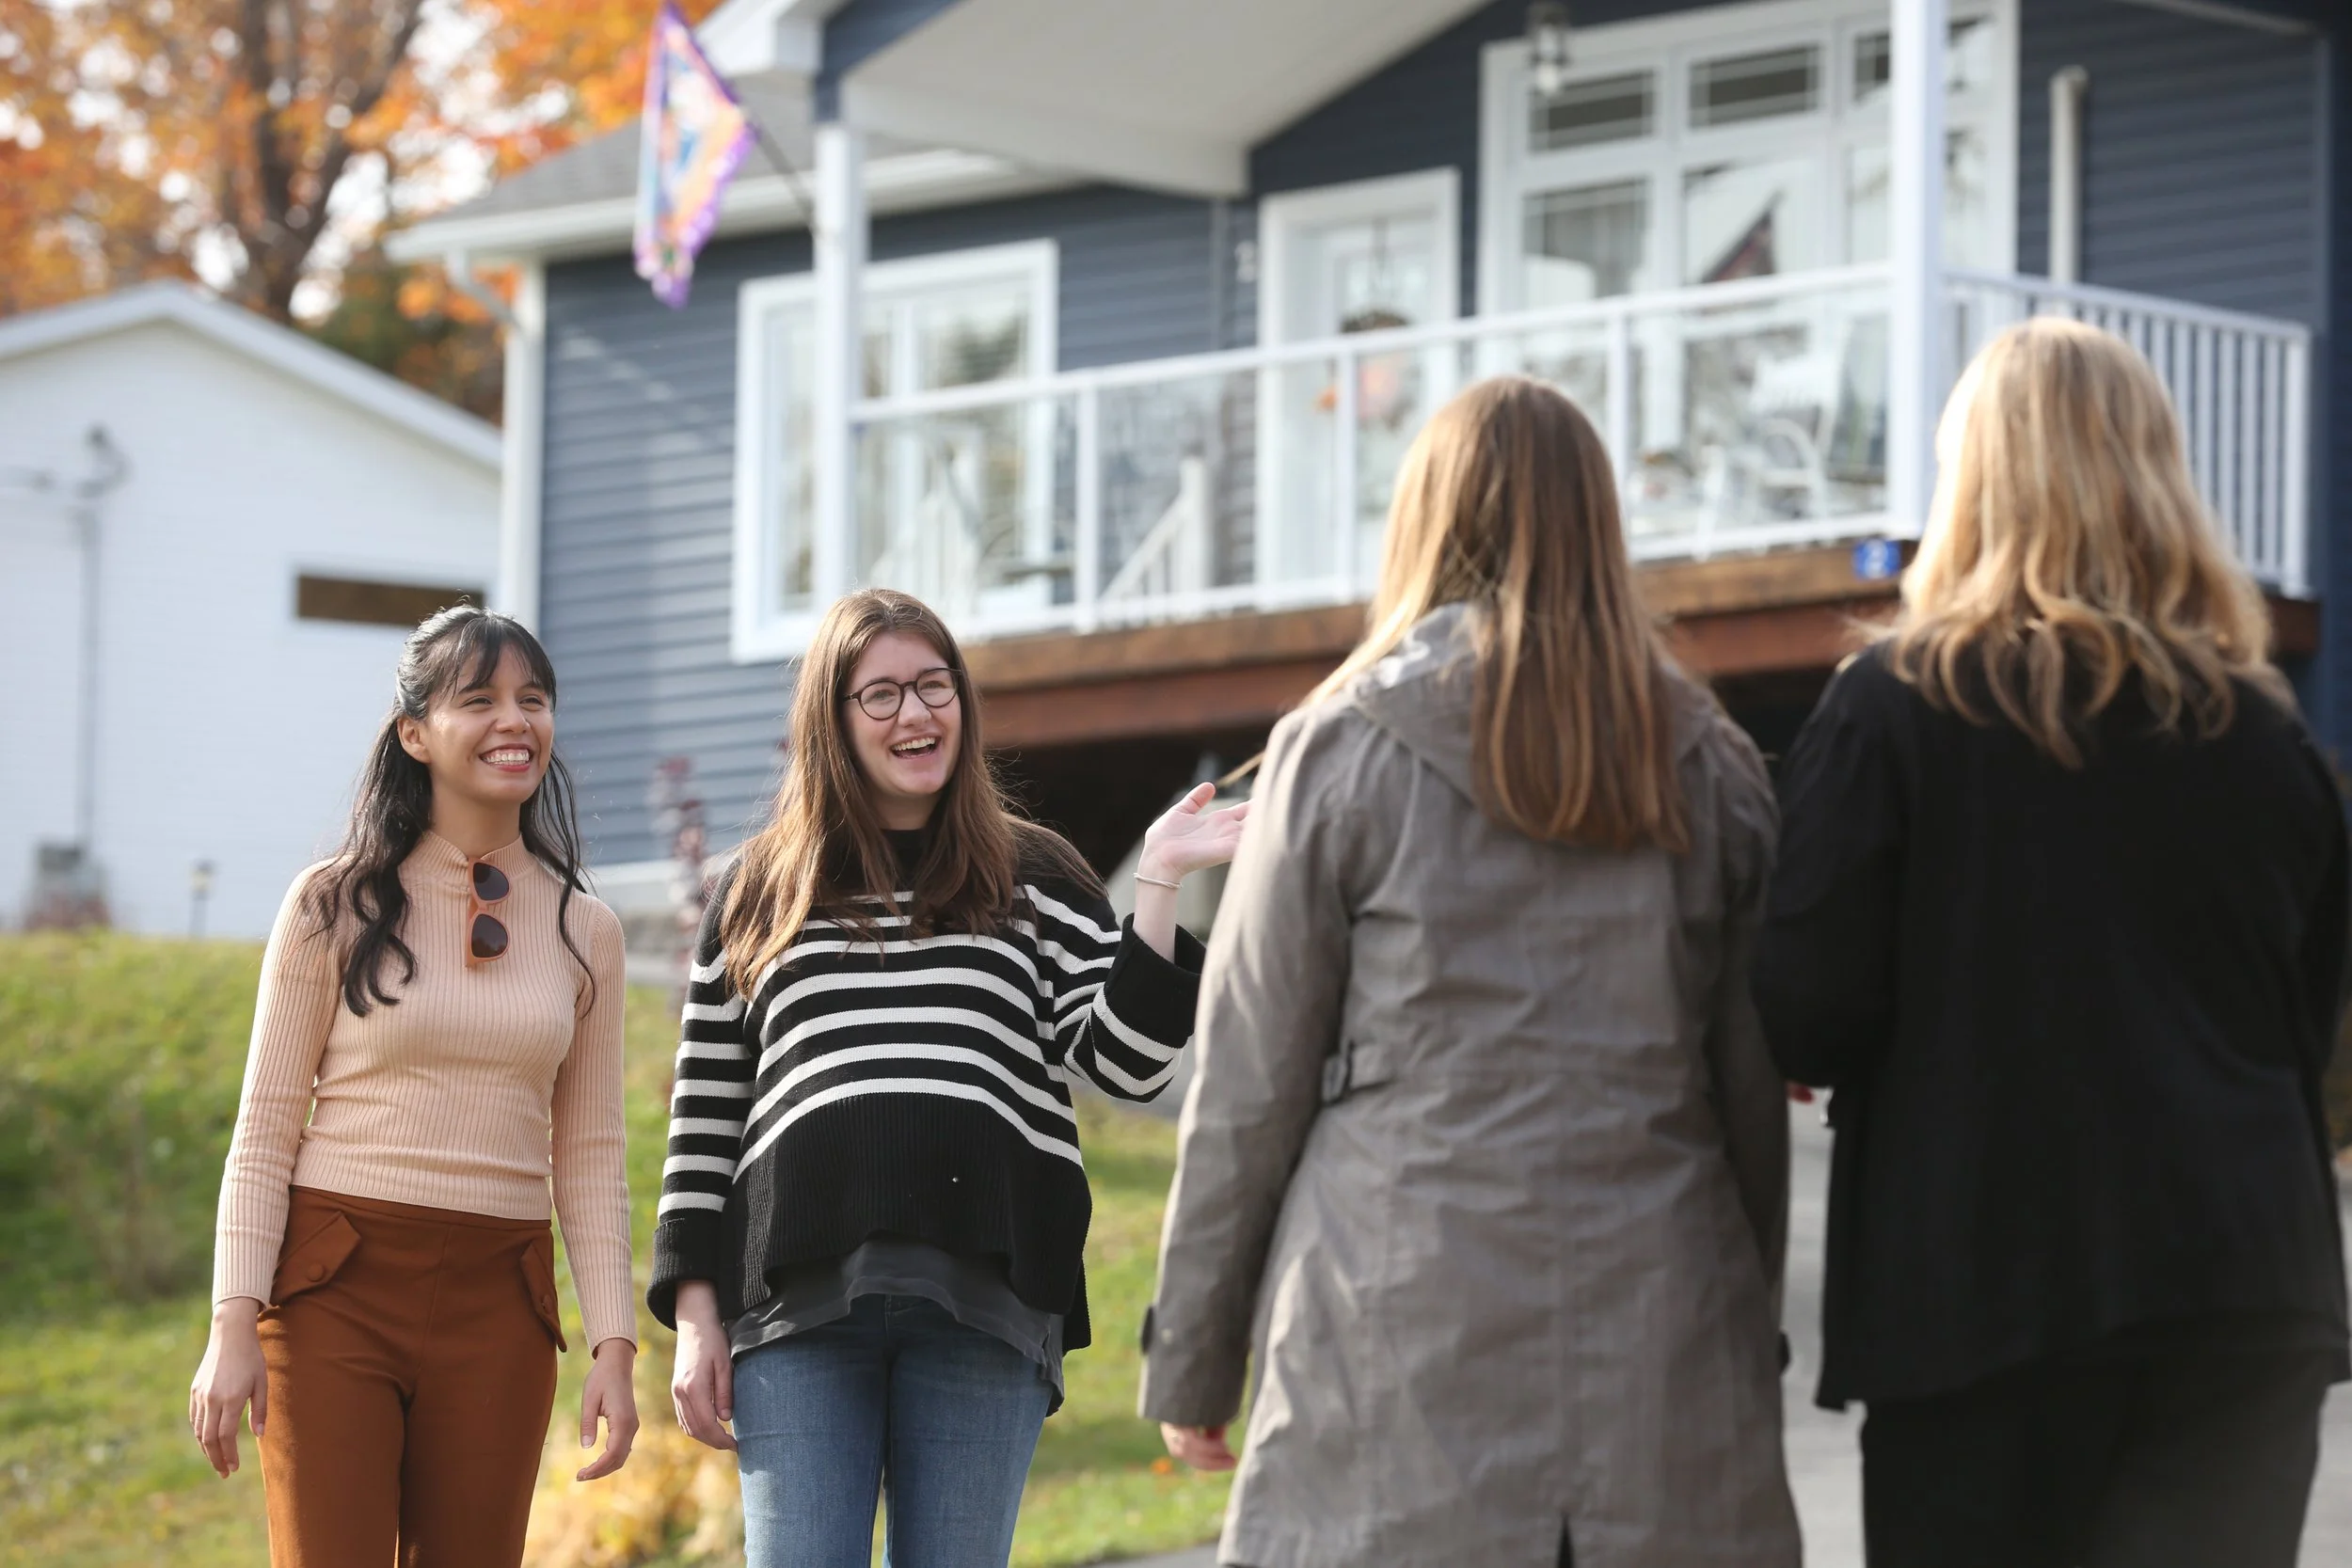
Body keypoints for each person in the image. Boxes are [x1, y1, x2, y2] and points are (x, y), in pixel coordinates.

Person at [1139, 376, 1800, 1568]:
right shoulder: (1708, 760)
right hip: (1660, 1307)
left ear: (1426, 519)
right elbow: (1747, 1090)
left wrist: (1192, 1346)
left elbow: (1247, 1077)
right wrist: (1746, 1315)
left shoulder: (1337, 749)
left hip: (1391, 1314)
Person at [1751, 318, 2349, 1568]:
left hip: (1979, 1288)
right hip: (2240, 1289)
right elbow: (2312, 1016)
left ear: (1969, 478)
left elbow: (1805, 1006)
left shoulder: (1896, 705)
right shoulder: (2263, 730)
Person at [652, 588, 1246, 1568]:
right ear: (831, 720)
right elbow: (706, 1115)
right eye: (879, 694)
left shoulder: (1037, 872)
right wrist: (693, 1316)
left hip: (989, 1300)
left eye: (934, 686)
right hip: (794, 1308)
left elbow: (1126, 1065)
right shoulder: (757, 886)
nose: (914, 713)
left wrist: (1159, 882)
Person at [190, 606, 638, 1566]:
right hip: (335, 1289)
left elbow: (592, 1154)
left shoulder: (586, 929)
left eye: (534, 699)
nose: (514, 720)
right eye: (478, 699)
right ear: (415, 733)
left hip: (500, 1298)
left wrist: (614, 1344)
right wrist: (231, 1321)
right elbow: (266, 1128)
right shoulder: (330, 903)